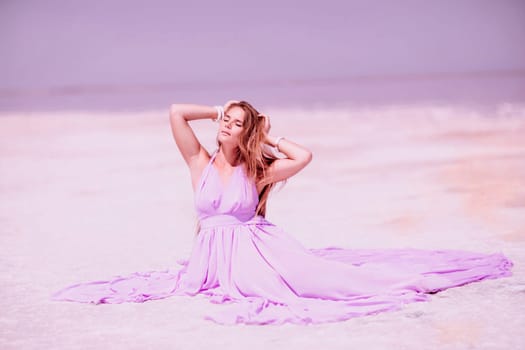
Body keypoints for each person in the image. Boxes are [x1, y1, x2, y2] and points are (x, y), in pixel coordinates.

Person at [51, 100, 514, 325]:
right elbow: (175, 113)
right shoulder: (199, 162)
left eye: (236, 122)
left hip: (257, 251)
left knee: (332, 284)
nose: (226, 126)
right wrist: (219, 106)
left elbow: (304, 155)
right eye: (224, 121)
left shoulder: (258, 170)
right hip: (210, 257)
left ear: (246, 131)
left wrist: (264, 135)